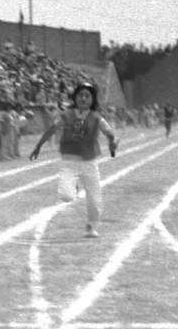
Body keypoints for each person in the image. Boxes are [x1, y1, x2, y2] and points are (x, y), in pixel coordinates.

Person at [29, 83, 118, 238]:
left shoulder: (97, 118)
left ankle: (91, 226)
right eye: (80, 95)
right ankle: (73, 185)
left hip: (89, 163)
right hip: (69, 162)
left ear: (92, 99)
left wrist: (112, 143)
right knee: (66, 196)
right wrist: (38, 146)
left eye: (87, 96)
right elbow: (52, 130)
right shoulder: (67, 115)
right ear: (75, 98)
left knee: (95, 201)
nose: (83, 98)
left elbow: (110, 133)